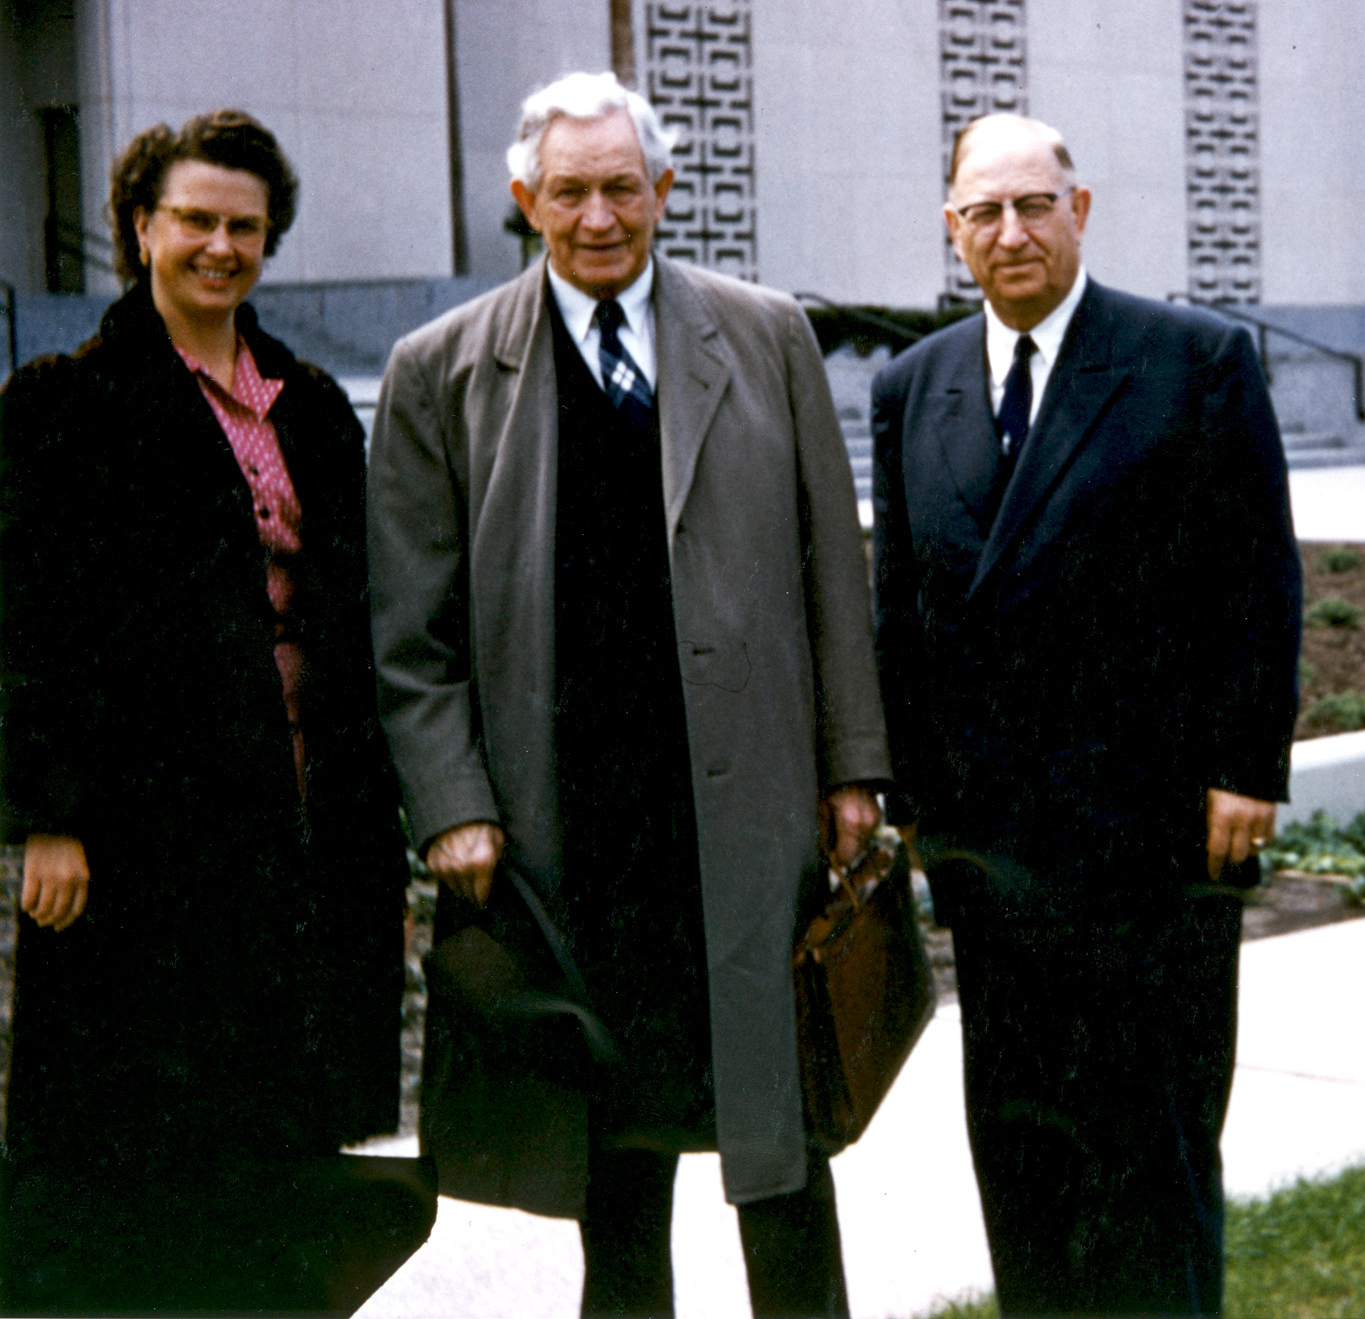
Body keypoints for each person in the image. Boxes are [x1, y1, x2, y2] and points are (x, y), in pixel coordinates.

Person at [368, 71, 891, 1318]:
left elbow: (833, 567)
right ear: (522, 200)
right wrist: (451, 801)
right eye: (567, 191)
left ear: (663, 188)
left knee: (785, 1147)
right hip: (567, 836)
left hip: (749, 816)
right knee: (617, 1172)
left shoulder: (764, 334)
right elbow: (408, 631)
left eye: (620, 186)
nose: (597, 216)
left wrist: (850, 765)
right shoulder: (441, 370)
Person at [870, 112, 1303, 1317]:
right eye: (983, 213)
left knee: (1149, 1161)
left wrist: (1244, 769)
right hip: (990, 857)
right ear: (952, 230)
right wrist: (915, 806)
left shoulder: (1191, 360)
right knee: (1023, 1161)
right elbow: (898, 614)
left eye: (1033, 205)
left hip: (1149, 846)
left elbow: (1257, 582)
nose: (1011, 233)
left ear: (1082, 208)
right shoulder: (914, 387)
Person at [0, 111, 428, 1314]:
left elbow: (358, 633)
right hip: (141, 847)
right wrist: (48, 815)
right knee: (137, 1152)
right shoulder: (63, 402)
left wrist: (375, 860)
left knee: (281, 1156)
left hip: (299, 835)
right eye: (194, 218)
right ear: (140, 226)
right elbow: (27, 624)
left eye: (244, 225)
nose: (218, 245)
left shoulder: (311, 408)